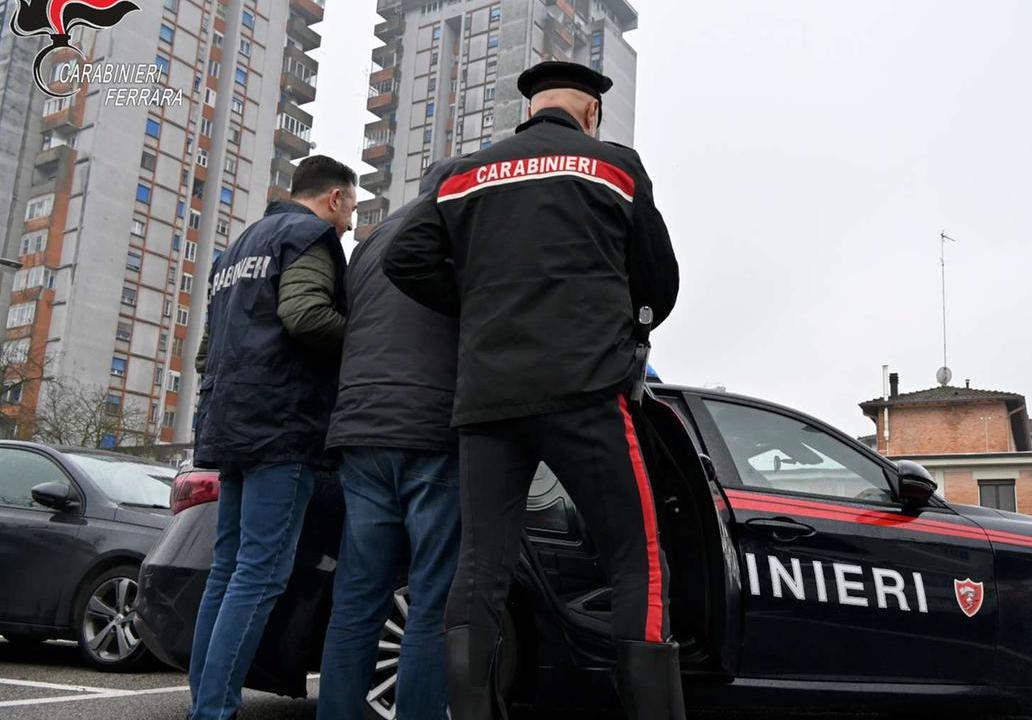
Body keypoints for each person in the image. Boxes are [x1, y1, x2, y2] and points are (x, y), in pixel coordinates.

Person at [383, 61, 682, 720]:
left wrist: (482, 304)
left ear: (528, 110)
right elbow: (659, 280)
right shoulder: (614, 165)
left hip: (489, 399)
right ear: (591, 112)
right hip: (587, 390)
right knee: (638, 559)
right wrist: (623, 327)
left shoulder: (464, 174)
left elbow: (401, 259)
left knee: (480, 567)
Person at [189, 155, 357, 720]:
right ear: (334, 197)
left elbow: (205, 352)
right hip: (281, 425)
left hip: (229, 420)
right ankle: (213, 712)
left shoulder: (235, 249)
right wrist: (367, 345)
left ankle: (205, 704)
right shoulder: (309, 236)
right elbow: (308, 316)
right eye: (352, 208)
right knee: (260, 575)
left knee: (228, 569)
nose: (351, 224)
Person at [317, 163, 462, 720]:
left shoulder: (371, 242)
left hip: (360, 431)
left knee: (356, 599)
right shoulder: (457, 227)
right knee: (431, 601)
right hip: (430, 428)